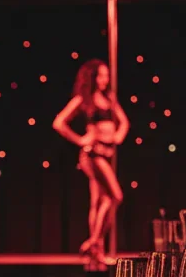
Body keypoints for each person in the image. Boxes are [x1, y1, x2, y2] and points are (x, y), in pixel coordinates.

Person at [52, 59, 129, 262]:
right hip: (92, 155)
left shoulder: (109, 99)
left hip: (106, 153)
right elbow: (59, 123)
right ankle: (94, 241)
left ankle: (97, 252)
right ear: (92, 78)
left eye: (106, 75)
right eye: (101, 75)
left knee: (98, 201)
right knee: (115, 196)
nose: (105, 79)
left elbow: (124, 122)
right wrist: (81, 140)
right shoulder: (84, 99)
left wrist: (117, 137)